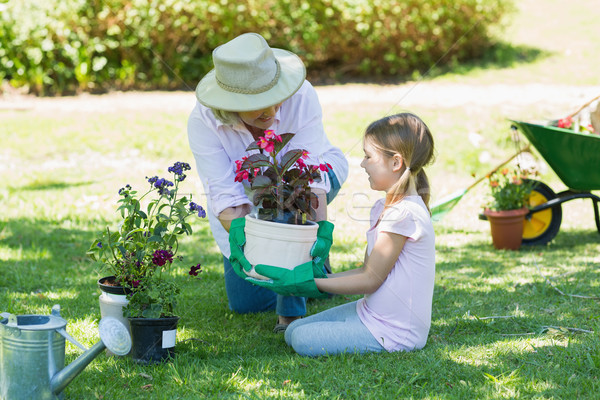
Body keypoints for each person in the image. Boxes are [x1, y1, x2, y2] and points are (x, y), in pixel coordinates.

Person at [187, 32, 348, 332]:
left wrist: (320, 233)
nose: (273, 111)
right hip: (250, 207)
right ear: (231, 102)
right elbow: (226, 196)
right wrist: (248, 237)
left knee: (287, 201)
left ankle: (290, 316)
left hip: (311, 181)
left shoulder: (301, 96)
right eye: (259, 104)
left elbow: (309, 178)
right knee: (245, 303)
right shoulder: (203, 122)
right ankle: (308, 273)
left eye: (275, 98)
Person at [283, 113, 436, 356]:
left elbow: (370, 280)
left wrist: (311, 284)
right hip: (370, 313)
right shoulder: (384, 208)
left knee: (301, 338)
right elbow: (366, 271)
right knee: (292, 330)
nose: (363, 163)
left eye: (368, 156)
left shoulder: (404, 214)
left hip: (395, 332)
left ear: (396, 162)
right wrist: (315, 277)